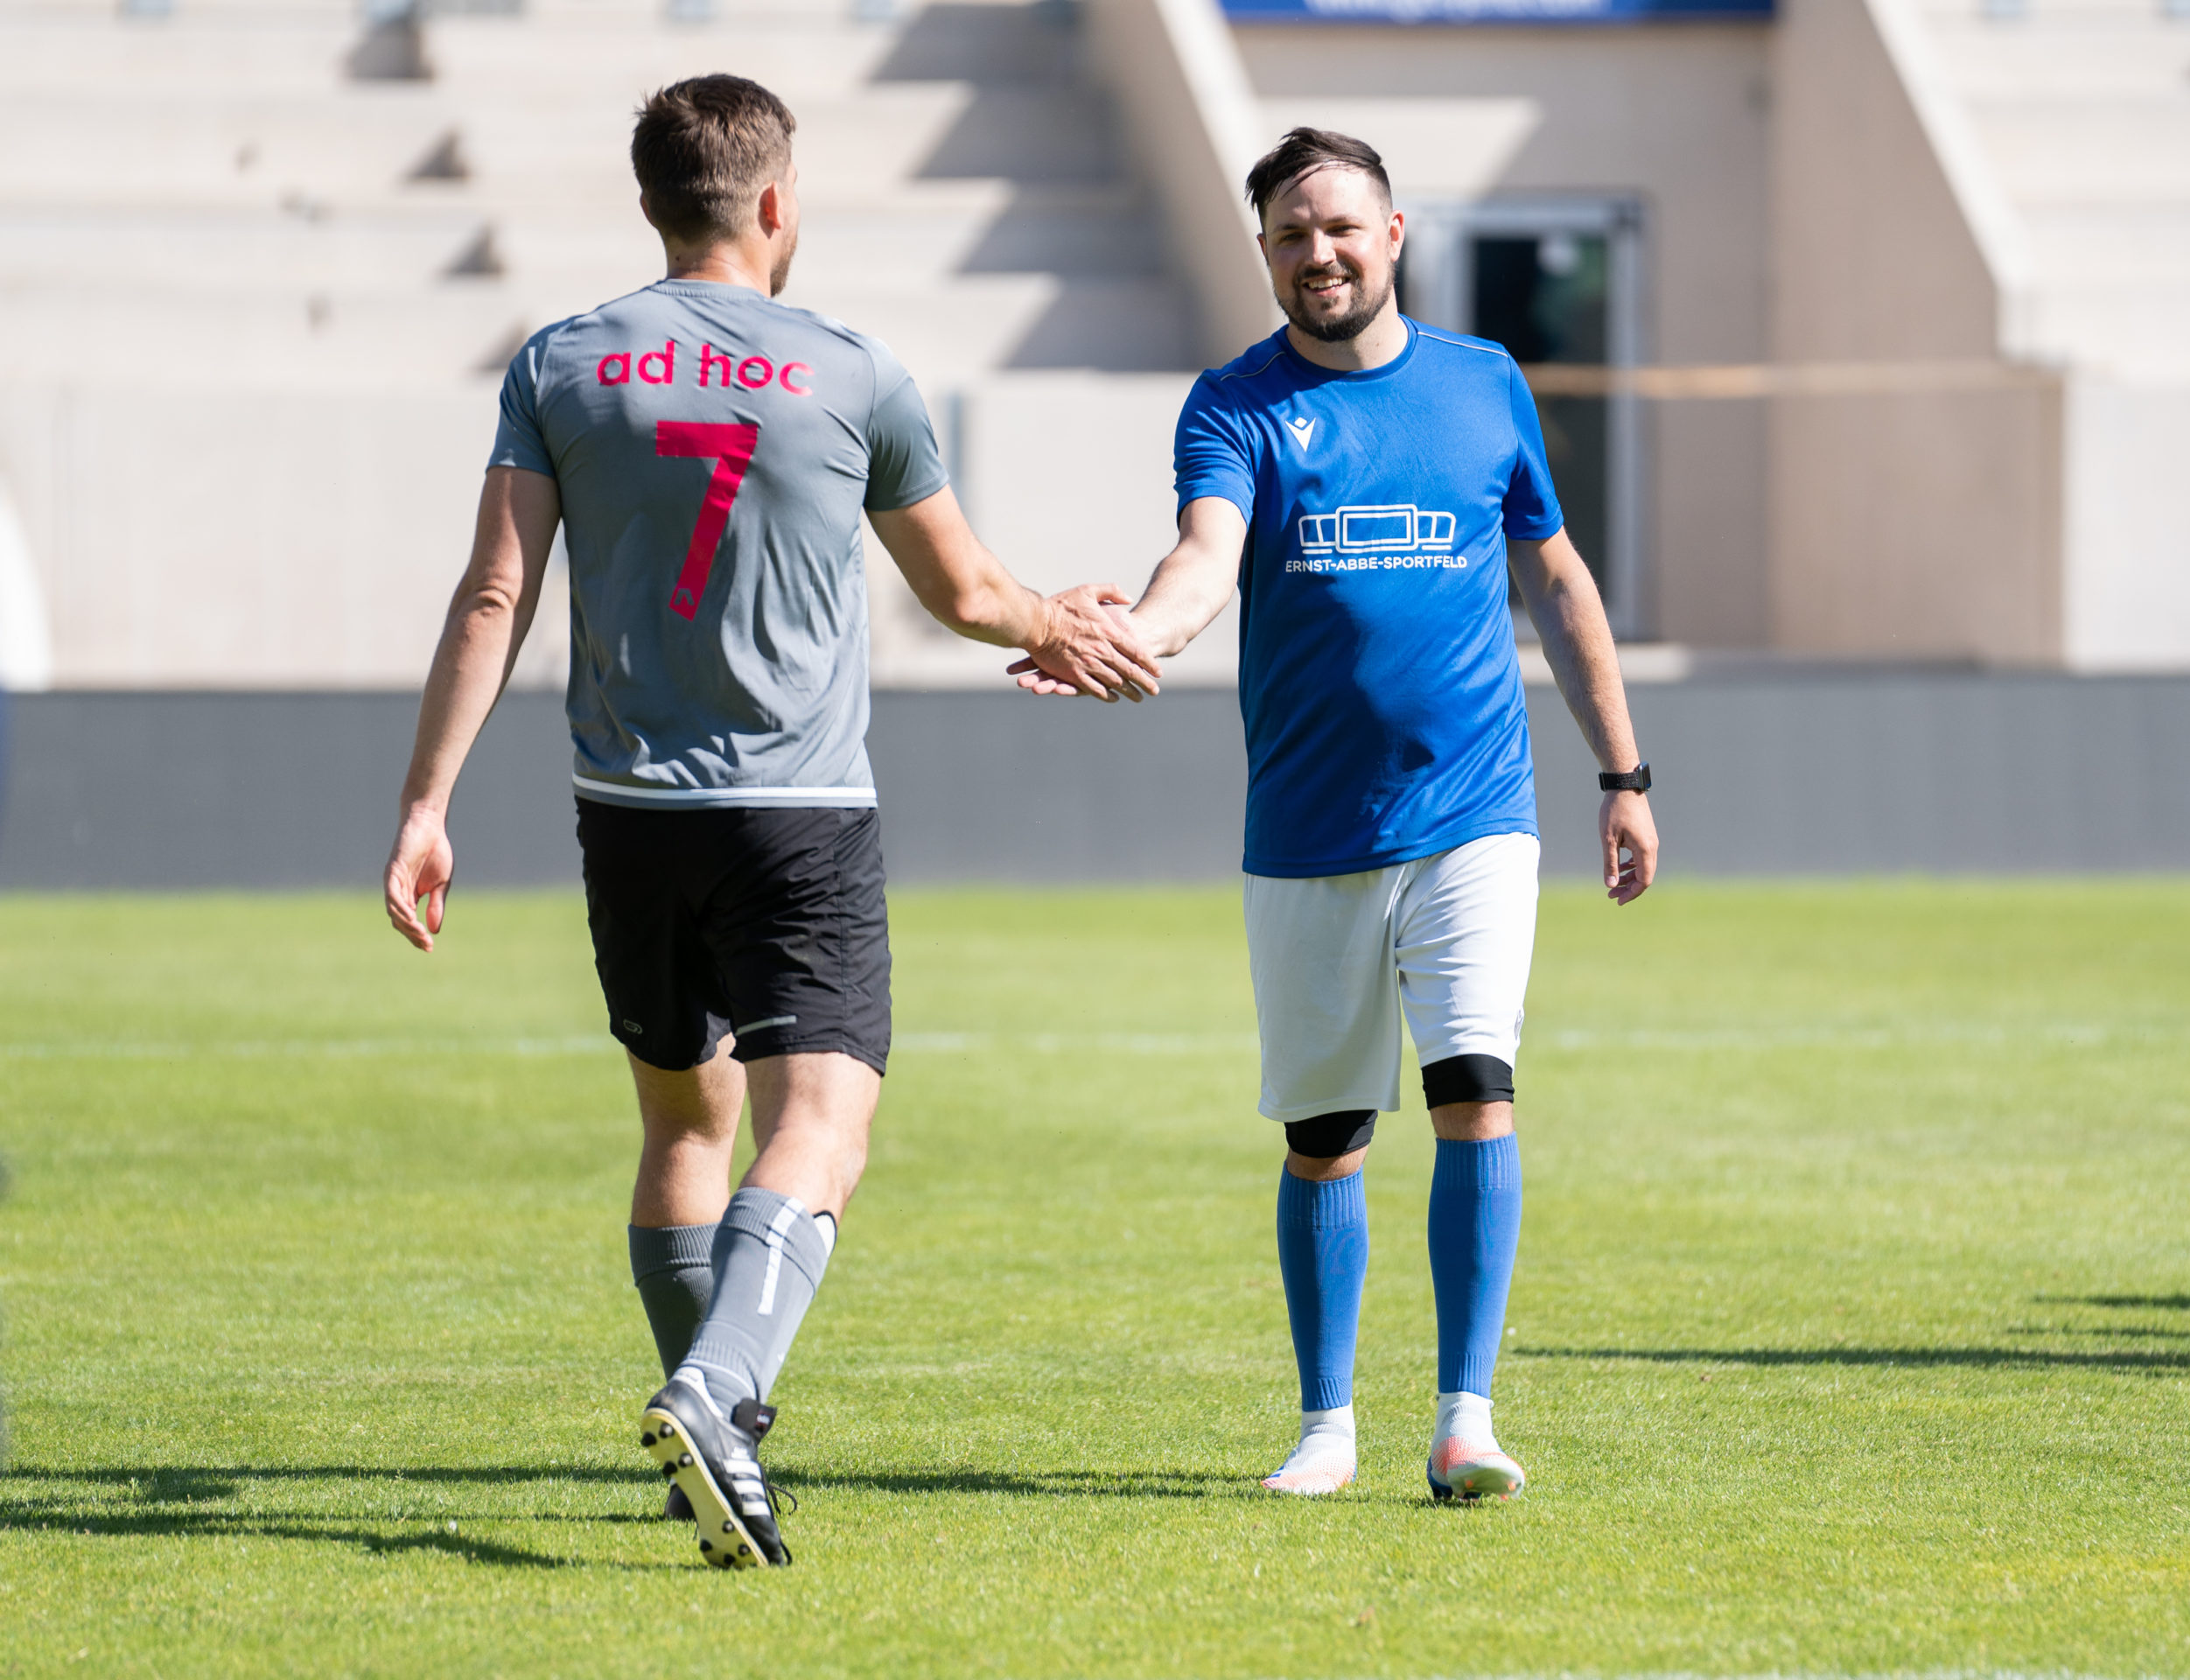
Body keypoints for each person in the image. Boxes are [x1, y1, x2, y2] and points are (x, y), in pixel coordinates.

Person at [382, 74, 1161, 1569]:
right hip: (797, 816)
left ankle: (714, 1440)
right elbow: (964, 593)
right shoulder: (853, 371)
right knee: (824, 1126)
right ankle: (718, 1390)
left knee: (686, 1123)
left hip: (628, 816)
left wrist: (428, 802)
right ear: (778, 201)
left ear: (653, 204)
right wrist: (1062, 624)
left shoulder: (561, 362)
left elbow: (495, 593)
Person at [1014, 127, 1658, 1502]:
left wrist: (1623, 773)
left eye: (1342, 228)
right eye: (1293, 235)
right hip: (1308, 829)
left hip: (1476, 809)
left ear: (1394, 234)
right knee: (1328, 1139)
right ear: (1266, 255)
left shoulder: (1485, 384)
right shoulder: (1234, 405)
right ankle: (1328, 1427)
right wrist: (1134, 637)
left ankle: (1467, 1421)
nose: (1321, 253)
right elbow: (1205, 559)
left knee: (1476, 1089)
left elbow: (1557, 580)